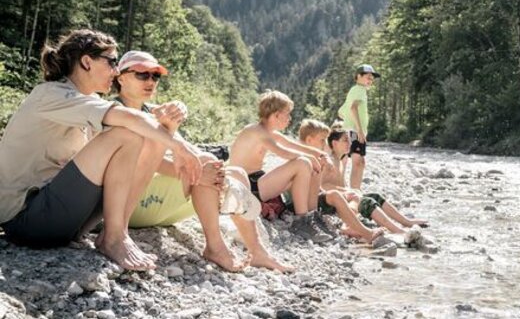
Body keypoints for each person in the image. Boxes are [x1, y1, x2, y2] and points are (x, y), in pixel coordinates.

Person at [0, 30, 202, 271]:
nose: (116, 72)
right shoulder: (51, 94)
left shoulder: (88, 101)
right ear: (87, 62)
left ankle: (116, 232)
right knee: (127, 132)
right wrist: (180, 148)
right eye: (112, 62)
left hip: (65, 219)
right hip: (26, 220)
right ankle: (115, 238)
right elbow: (129, 119)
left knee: (150, 136)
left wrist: (169, 130)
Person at [115, 51, 291, 272]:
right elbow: (134, 163)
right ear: (121, 78)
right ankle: (215, 247)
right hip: (130, 203)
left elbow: (185, 149)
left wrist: (214, 170)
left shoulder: (154, 111)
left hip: (159, 203)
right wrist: (198, 171)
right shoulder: (113, 112)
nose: (150, 81)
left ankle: (257, 252)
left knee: (235, 172)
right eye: (142, 74)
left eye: (155, 76)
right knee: (206, 165)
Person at [229, 91, 383, 243]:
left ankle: (312, 215)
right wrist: (311, 158)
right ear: (276, 115)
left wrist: (321, 156)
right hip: (248, 187)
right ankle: (302, 221)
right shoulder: (257, 131)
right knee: (302, 163)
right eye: (287, 114)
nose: (290, 118)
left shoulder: (270, 132)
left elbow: (296, 146)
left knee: (314, 163)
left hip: (258, 182)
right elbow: (283, 152)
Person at [299, 120, 426, 234]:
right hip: (328, 201)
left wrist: (347, 190)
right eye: (345, 140)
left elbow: (339, 184)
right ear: (334, 143)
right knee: (366, 201)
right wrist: (346, 191)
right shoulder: (329, 162)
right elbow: (321, 186)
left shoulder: (340, 160)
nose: (350, 143)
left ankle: (405, 222)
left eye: (350, 140)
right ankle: (398, 231)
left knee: (375, 196)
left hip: (340, 198)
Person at [337, 64, 380, 190]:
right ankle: (355, 191)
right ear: (358, 76)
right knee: (359, 162)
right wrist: (360, 131)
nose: (370, 80)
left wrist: (348, 124)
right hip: (355, 131)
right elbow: (353, 108)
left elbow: (341, 112)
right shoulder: (360, 90)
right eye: (368, 77)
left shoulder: (354, 90)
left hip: (350, 130)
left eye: (372, 78)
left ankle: (343, 189)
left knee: (346, 160)